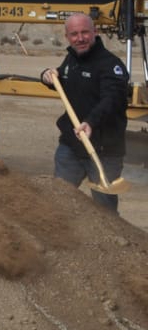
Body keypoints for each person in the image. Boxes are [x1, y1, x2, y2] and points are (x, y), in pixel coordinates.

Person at [41, 13, 128, 212]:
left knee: (104, 210)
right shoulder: (71, 59)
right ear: (67, 37)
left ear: (95, 32)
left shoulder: (111, 65)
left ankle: (110, 242)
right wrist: (46, 76)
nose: (80, 38)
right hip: (71, 147)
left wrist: (90, 122)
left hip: (105, 151)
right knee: (58, 203)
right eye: (74, 34)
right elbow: (63, 81)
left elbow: (111, 99)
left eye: (85, 32)